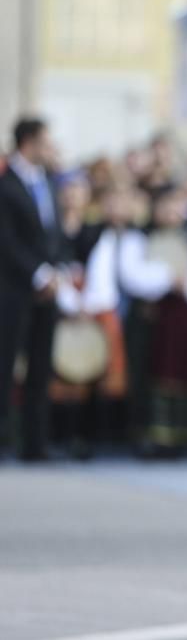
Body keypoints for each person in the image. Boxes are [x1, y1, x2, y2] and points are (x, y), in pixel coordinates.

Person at [0, 118, 67, 461]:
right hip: (13, 288)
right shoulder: (5, 183)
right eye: (45, 140)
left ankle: (35, 444)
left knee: (41, 368)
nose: (49, 147)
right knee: (6, 363)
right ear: (27, 142)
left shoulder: (48, 180)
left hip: (48, 289)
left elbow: (53, 234)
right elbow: (6, 240)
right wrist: (38, 274)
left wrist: (56, 272)